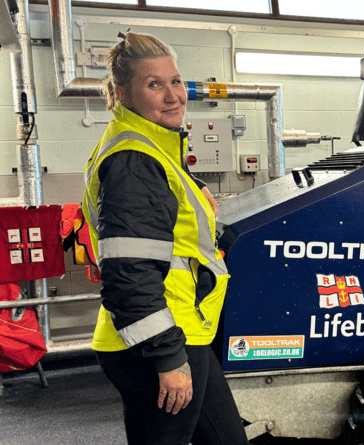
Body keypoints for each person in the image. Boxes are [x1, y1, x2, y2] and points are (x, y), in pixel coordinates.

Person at [82, 31, 249, 445]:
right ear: (122, 94)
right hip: (157, 341)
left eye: (176, 81)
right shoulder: (135, 160)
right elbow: (130, 273)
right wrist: (168, 358)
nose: (173, 95)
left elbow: (175, 240)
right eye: (154, 84)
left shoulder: (155, 150)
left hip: (180, 330)